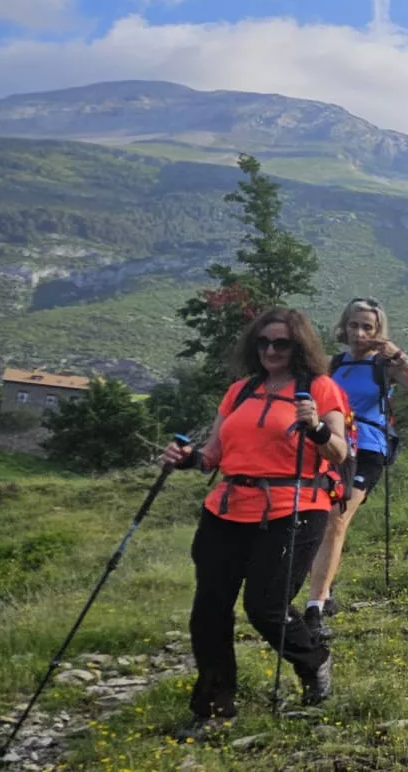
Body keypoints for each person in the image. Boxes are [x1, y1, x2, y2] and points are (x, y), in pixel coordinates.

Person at [155, 308, 352, 726]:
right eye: (263, 342)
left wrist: (315, 427)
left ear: (298, 346)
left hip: (293, 508)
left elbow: (339, 451)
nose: (270, 350)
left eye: (281, 343)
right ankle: (213, 704)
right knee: (208, 609)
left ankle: (313, 660)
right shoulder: (240, 392)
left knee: (265, 607)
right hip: (227, 509)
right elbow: (213, 456)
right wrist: (187, 459)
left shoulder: (320, 388)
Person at [302, 298, 408, 644]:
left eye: (368, 326)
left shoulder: (384, 364)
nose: (360, 333)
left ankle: (314, 606)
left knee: (336, 517)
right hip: (328, 446)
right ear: (344, 327)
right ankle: (325, 588)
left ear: (378, 331)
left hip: (367, 449)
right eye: (354, 325)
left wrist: (397, 355)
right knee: (314, 519)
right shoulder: (333, 365)